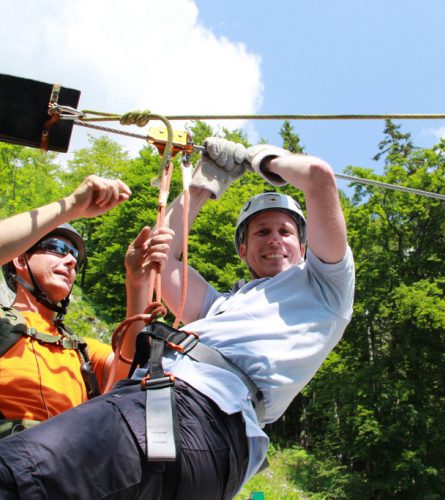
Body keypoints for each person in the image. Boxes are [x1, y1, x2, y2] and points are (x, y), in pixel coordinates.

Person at [0, 139, 355, 500]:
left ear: (305, 248)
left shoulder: (325, 287)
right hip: (212, 455)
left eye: (285, 232)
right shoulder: (221, 307)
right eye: (262, 232)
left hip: (182, 412)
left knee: (13, 476)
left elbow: (319, 177)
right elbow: (161, 259)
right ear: (244, 251)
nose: (274, 240)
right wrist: (205, 182)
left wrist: (255, 157)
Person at [0, 175, 173, 437]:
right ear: (20, 261)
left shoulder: (81, 351)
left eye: (76, 257)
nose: (70, 260)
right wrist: (71, 206)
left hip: (68, 468)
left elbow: (127, 368)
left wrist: (136, 284)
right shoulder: (3, 323)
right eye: (57, 248)